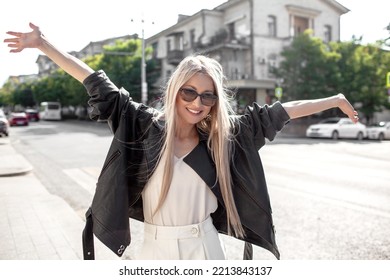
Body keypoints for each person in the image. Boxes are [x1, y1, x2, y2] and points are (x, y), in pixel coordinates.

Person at [4, 23, 359, 260]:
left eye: (207, 96)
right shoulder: (142, 125)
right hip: (153, 249)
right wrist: (42, 44)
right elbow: (95, 80)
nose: (197, 102)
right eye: (189, 92)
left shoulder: (224, 136)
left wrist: (334, 99)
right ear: (175, 91)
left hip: (205, 246)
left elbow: (280, 111)